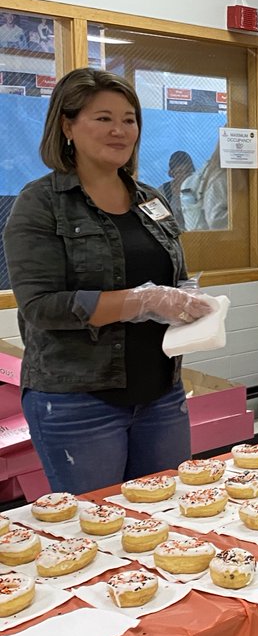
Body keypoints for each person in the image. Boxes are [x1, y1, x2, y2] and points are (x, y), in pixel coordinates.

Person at [3, 68, 214, 494]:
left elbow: (175, 279)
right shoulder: (40, 204)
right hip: (78, 401)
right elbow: (41, 306)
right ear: (68, 125)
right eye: (103, 118)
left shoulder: (151, 200)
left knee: (166, 518)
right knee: (98, 529)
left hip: (161, 393)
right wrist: (141, 301)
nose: (120, 130)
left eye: (129, 119)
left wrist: (190, 303)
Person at [160, 150, 195, 224]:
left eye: (188, 171)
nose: (184, 176)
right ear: (172, 172)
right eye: (179, 171)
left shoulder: (198, 190)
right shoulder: (164, 191)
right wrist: (175, 221)